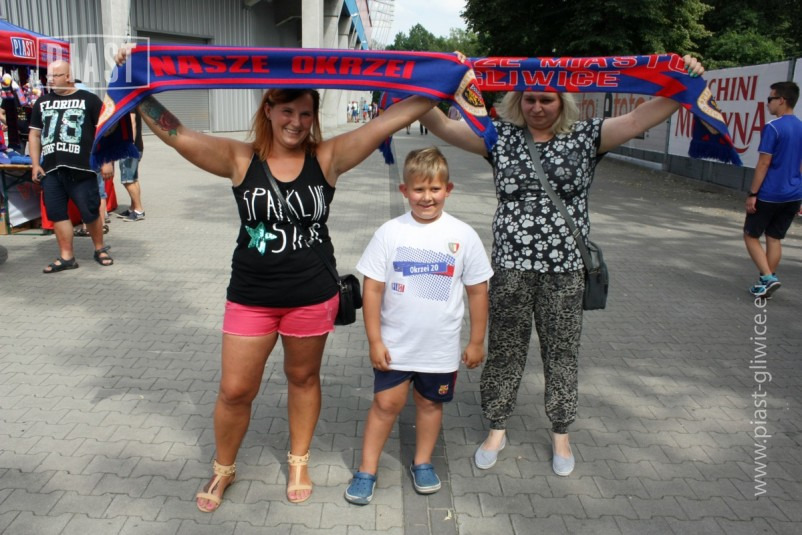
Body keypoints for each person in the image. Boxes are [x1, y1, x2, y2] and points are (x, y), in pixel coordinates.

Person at [115, 47, 437, 512]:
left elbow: (388, 121)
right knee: (235, 390)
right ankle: (224, 467)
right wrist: (132, 82)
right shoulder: (239, 158)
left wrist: (442, 81)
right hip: (251, 296)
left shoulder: (327, 157)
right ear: (268, 109)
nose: (296, 122)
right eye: (287, 111)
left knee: (303, 378)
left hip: (312, 296)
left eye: (305, 113)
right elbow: (177, 134)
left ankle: (299, 461)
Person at [419, 55, 704, 477]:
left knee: (562, 353)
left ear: (562, 101)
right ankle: (497, 428)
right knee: (505, 351)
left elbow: (639, 118)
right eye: (530, 99)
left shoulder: (586, 136)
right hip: (511, 268)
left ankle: (561, 433)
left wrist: (684, 83)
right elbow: (442, 126)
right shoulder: (499, 137)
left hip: (566, 270)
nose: (537, 107)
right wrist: (412, 82)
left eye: (547, 99)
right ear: (519, 100)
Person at [344, 147, 492, 505]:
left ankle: (422, 462)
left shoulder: (463, 235)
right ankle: (367, 470)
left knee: (429, 405)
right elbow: (372, 288)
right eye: (419, 189)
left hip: (439, 348)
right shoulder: (390, 232)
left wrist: (476, 341)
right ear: (404, 191)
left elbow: (477, 291)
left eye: (435, 189)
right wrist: (374, 340)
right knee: (385, 405)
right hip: (396, 345)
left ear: (448, 189)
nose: (427, 197)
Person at [29, 60, 114, 272]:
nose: (50, 80)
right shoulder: (42, 102)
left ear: (68, 77)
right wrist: (35, 164)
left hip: (82, 168)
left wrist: (106, 161)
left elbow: (104, 131)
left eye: (55, 76)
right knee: (57, 213)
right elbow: (35, 134)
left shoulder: (89, 100)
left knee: (90, 212)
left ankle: (100, 248)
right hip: (51, 170)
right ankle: (67, 257)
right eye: (48, 76)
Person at [743, 81, 802, 298]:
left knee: (750, 236)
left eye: (770, 99)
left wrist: (753, 194)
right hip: (794, 194)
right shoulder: (801, 127)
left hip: (770, 194)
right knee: (774, 238)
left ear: (782, 100)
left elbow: (764, 163)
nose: (768, 103)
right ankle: (765, 282)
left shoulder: (773, 127)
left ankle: (768, 278)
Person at [116, 110, 146, 222]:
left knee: (127, 181)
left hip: (129, 149)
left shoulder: (129, 106)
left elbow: (132, 122)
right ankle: (133, 208)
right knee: (133, 179)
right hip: (136, 147)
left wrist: (129, 145)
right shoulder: (133, 105)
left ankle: (139, 210)